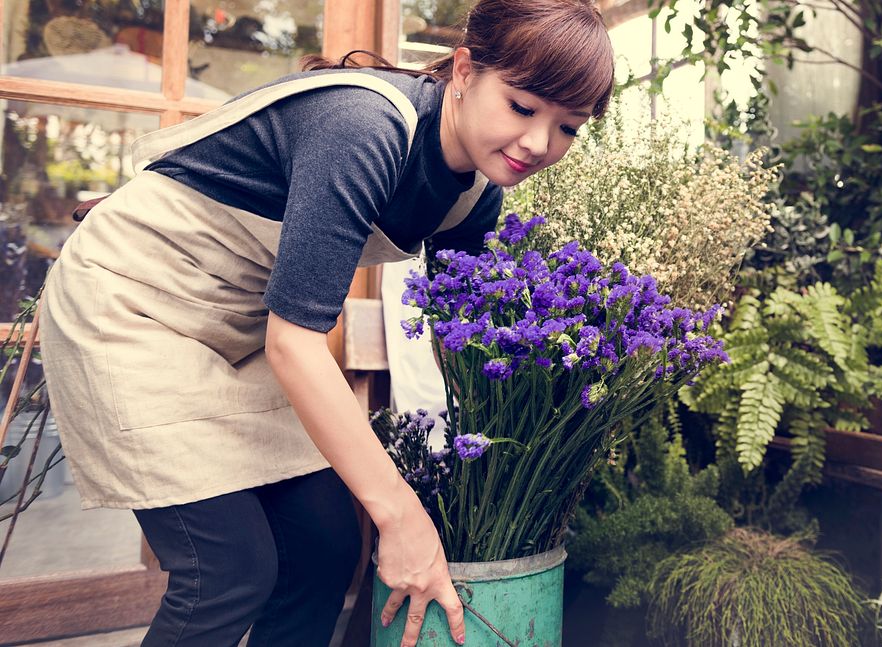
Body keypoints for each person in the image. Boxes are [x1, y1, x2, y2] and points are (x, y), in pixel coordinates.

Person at [38, 0, 614, 645]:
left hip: (247, 328)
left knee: (325, 548)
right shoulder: (363, 125)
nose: (538, 144)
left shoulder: (478, 196)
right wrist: (401, 515)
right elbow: (297, 342)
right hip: (137, 303)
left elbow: (473, 353)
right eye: (522, 107)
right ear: (464, 69)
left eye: (569, 127)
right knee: (225, 573)